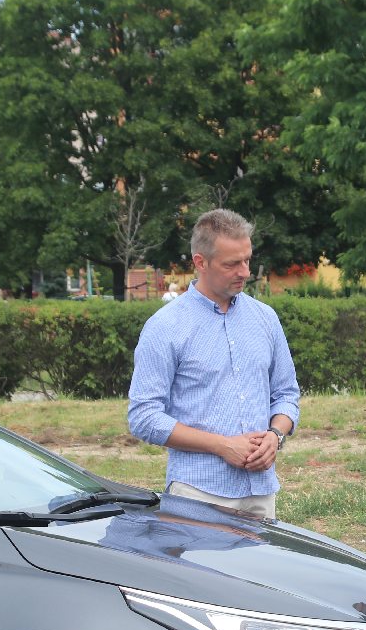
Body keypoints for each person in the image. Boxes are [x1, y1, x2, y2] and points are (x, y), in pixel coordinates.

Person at [127, 209, 300, 520]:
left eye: (247, 260)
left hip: (262, 491)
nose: (244, 271)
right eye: (231, 264)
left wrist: (276, 436)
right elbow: (143, 416)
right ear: (200, 262)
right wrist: (222, 446)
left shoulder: (265, 319)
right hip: (198, 494)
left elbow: (286, 394)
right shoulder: (165, 327)